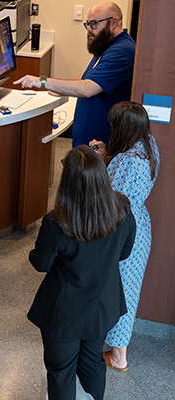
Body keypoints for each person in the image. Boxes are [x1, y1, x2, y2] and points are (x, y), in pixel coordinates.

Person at [28, 145, 136, 400]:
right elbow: (124, 252)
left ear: (69, 184)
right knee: (93, 362)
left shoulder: (57, 222)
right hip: (102, 306)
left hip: (65, 312)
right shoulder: (122, 209)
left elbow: (41, 263)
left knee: (61, 371)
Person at [88, 101, 160, 372]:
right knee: (128, 290)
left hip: (122, 232)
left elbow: (112, 201)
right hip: (139, 227)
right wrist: (107, 155)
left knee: (119, 292)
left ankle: (119, 357)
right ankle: (117, 348)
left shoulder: (130, 163)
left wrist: (95, 163)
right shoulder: (147, 145)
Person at [14, 1, 135, 148]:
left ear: (113, 22)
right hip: (88, 141)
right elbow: (88, 74)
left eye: (94, 24)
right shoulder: (108, 44)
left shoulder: (120, 53)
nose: (89, 29)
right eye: (87, 24)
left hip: (100, 146)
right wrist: (60, 88)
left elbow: (88, 89)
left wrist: (42, 82)